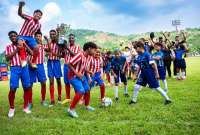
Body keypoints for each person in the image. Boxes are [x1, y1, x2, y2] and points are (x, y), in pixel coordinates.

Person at [5, 31, 32, 118]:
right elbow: (7, 58)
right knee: (13, 88)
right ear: (9, 38)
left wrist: (24, 44)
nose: (13, 37)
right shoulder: (8, 47)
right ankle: (12, 108)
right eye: (11, 36)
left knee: (27, 87)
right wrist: (17, 48)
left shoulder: (23, 45)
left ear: (17, 36)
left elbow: (31, 53)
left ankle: (25, 107)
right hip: (14, 68)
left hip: (24, 68)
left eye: (14, 35)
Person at [67, 42, 97, 118]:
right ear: (89, 49)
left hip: (81, 76)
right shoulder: (79, 55)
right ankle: (71, 109)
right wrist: (76, 73)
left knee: (87, 89)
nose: (95, 52)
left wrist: (89, 72)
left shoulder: (86, 57)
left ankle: (87, 105)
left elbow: (84, 67)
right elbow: (69, 64)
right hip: (73, 76)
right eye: (94, 50)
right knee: (81, 91)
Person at [17, 1, 42, 68]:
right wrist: (20, 6)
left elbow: (39, 33)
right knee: (20, 42)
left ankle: (33, 62)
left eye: (40, 15)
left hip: (31, 38)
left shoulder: (39, 25)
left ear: (40, 17)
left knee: (37, 47)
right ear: (34, 14)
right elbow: (20, 14)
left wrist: (39, 41)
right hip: (22, 35)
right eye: (37, 14)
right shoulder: (29, 18)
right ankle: (23, 60)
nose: (38, 15)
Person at [28, 31, 50, 108]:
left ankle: (43, 101)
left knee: (43, 83)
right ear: (34, 37)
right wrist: (30, 63)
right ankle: (30, 102)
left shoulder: (43, 46)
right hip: (32, 65)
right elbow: (26, 55)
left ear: (41, 37)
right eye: (36, 36)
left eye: (39, 36)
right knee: (30, 84)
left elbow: (49, 49)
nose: (38, 37)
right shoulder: (31, 45)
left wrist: (47, 40)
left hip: (40, 65)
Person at [62, 34, 81, 104]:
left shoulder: (77, 47)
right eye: (69, 38)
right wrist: (63, 50)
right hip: (66, 65)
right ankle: (68, 98)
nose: (71, 39)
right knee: (66, 82)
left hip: (73, 66)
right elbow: (63, 55)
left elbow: (75, 55)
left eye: (72, 38)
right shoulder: (66, 47)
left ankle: (78, 97)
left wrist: (67, 48)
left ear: (74, 39)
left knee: (75, 82)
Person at [47, 30, 63, 107]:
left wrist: (59, 33)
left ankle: (59, 97)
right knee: (51, 81)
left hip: (57, 62)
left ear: (56, 35)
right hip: (50, 62)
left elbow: (61, 52)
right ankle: (52, 99)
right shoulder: (48, 42)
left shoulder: (59, 43)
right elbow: (47, 50)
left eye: (54, 34)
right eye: (51, 34)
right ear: (49, 35)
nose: (52, 35)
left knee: (58, 81)